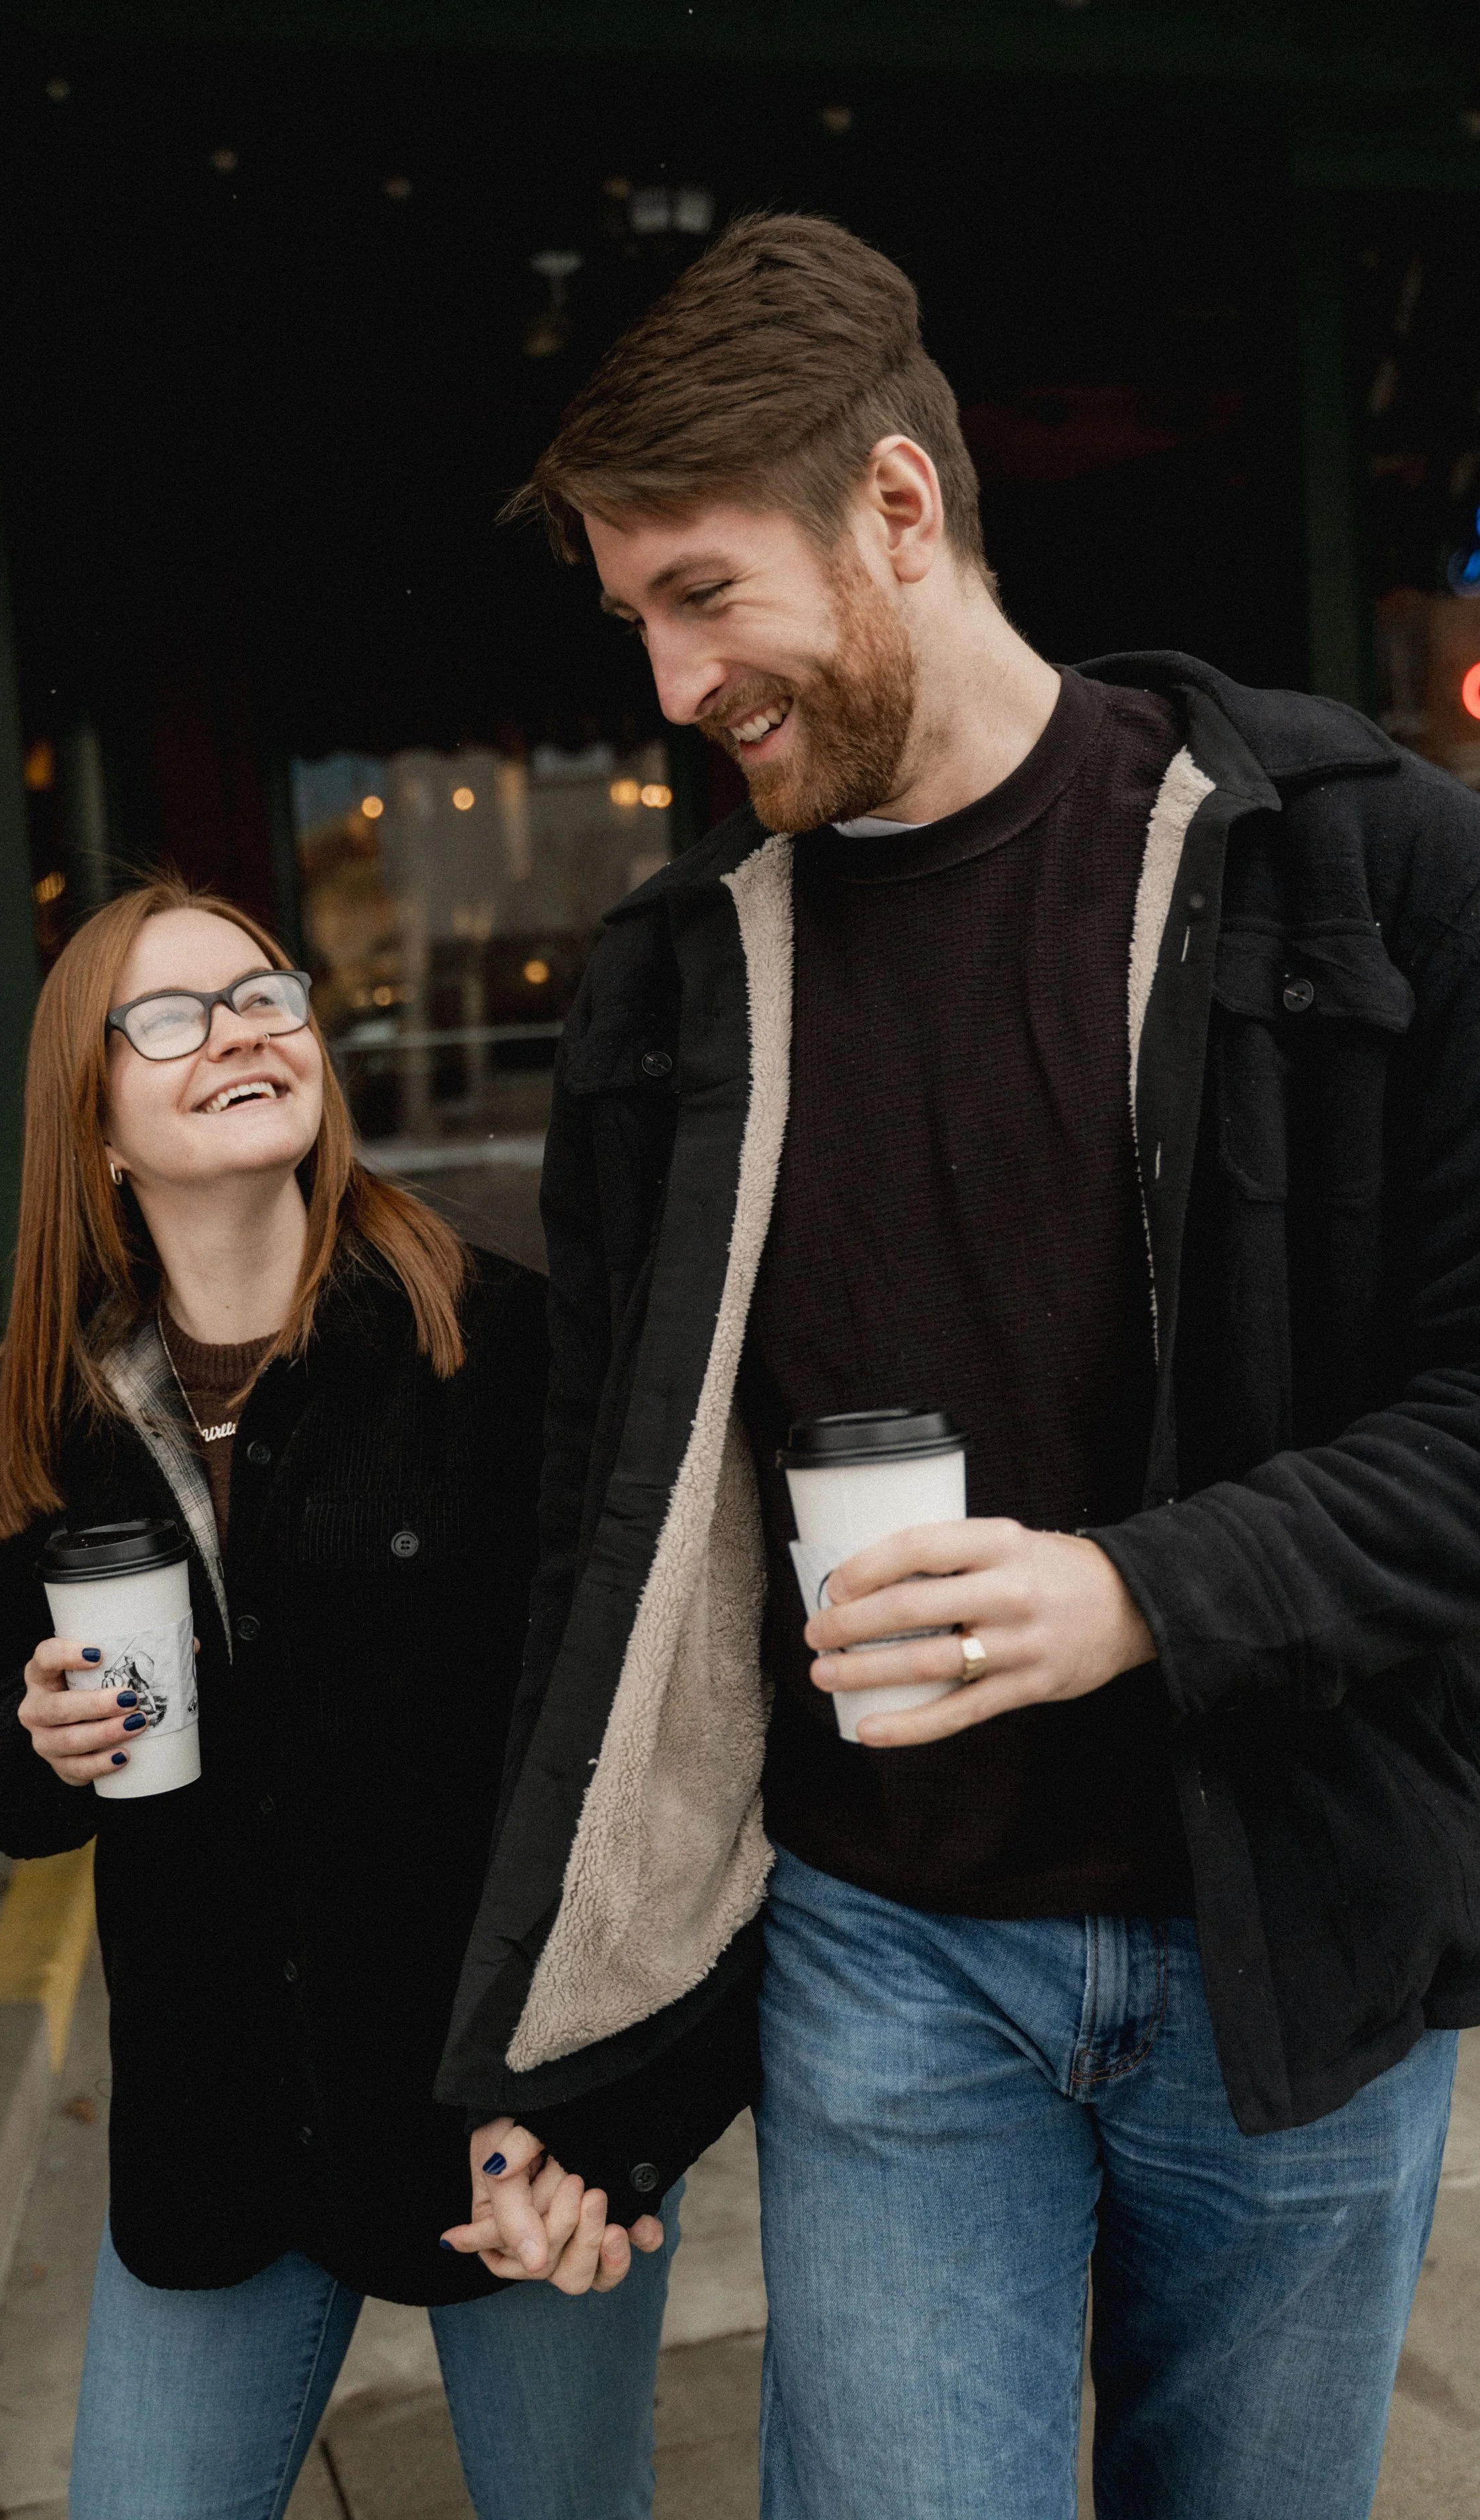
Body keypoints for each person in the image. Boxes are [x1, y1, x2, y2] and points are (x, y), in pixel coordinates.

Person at [435, 214, 1480, 2519]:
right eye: (634, 621)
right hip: (887, 1957)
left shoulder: (1372, 874)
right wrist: (564, 2057)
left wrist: (1136, 1591)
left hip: (1296, 1931)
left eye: (704, 595)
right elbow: (609, 1557)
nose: (672, 685)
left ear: (897, 507)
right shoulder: (670, 988)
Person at [0, 877, 696, 2520]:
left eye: (264, 997)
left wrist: (594, 2112)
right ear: (95, 1126)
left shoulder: (493, 1347)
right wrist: (38, 1743)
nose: (238, 1034)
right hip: (215, 2139)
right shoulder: (51, 1415)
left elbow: (632, 1757)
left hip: (508, 2119)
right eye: (169, 1019)